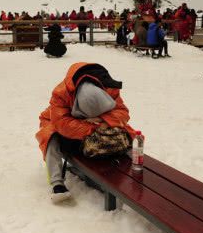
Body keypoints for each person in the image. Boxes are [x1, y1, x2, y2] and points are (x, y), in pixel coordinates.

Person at [35, 63, 137, 203]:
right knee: (50, 137)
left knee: (126, 131)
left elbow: (122, 113)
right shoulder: (61, 93)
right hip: (58, 122)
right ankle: (57, 184)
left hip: (99, 122)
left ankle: (128, 160)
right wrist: (92, 128)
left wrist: (102, 120)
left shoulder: (109, 86)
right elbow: (61, 124)